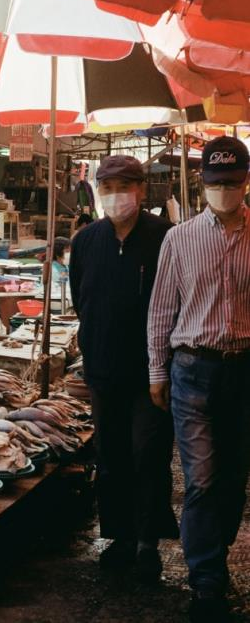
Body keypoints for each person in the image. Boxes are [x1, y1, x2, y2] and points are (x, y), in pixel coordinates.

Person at [148, 136, 250, 623]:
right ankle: (206, 578)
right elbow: (161, 310)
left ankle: (212, 547)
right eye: (215, 183)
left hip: (246, 370)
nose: (223, 191)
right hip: (192, 369)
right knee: (203, 479)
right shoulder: (180, 238)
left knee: (233, 479)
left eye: (231, 183)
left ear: (246, 182)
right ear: (202, 183)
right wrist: (156, 370)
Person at [69, 154, 177, 581]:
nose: (115, 196)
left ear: (142, 191)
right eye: (107, 188)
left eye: (123, 187)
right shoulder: (85, 241)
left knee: (148, 454)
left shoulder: (166, 237)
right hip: (102, 368)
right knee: (110, 456)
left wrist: (164, 366)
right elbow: (82, 299)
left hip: (152, 373)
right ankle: (120, 537)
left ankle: (148, 542)